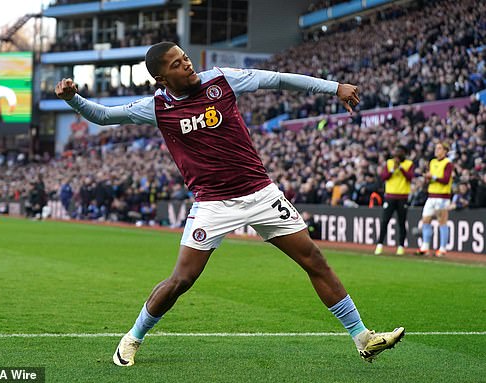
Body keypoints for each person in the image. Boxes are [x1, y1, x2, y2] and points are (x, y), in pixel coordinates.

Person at [55, 42, 404, 366]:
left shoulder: (221, 80)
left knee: (313, 259)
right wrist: (74, 99)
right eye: (177, 64)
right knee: (182, 279)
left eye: (186, 57)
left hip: (261, 194)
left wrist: (334, 87)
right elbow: (103, 116)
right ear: (162, 78)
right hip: (213, 203)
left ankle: (362, 338)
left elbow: (279, 80)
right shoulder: (157, 107)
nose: (187, 65)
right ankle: (132, 338)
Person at [416, 141, 453, 257]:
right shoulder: (432, 162)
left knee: (442, 222)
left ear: (445, 151)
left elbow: (446, 180)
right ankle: (425, 247)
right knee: (426, 220)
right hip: (431, 195)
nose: (437, 150)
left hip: (442, 197)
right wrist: (427, 178)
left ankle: (442, 248)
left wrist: (433, 177)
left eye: (439, 148)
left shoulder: (448, 163)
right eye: (436, 148)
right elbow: (432, 179)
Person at [374, 145, 414, 256]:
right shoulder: (389, 163)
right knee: (384, 221)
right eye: (396, 151)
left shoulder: (408, 164)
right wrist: (393, 169)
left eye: (399, 151)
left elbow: (410, 177)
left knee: (401, 222)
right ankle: (379, 245)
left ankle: (401, 246)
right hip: (390, 196)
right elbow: (383, 177)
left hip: (402, 197)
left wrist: (401, 168)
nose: (397, 153)